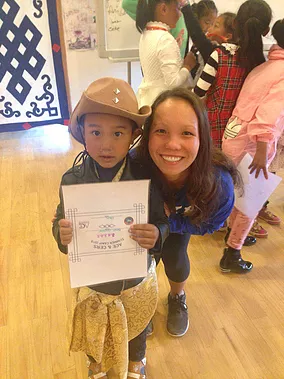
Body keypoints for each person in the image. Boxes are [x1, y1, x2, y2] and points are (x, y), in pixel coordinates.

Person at [52, 78, 169, 379]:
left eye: (117, 133)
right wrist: (61, 234)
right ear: (82, 133)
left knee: (136, 324)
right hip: (95, 280)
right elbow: (60, 218)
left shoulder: (144, 176)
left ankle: (136, 363)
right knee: (96, 326)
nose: (106, 144)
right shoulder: (72, 179)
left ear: (132, 135)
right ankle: (96, 364)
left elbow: (162, 221)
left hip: (135, 276)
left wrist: (156, 233)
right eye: (95, 132)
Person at [135, 88, 238, 337]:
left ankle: (177, 297)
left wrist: (172, 223)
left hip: (180, 222)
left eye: (187, 133)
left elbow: (211, 225)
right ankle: (142, 304)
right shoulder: (134, 166)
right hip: (139, 224)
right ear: (147, 135)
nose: (173, 144)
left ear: (202, 138)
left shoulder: (218, 184)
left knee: (175, 258)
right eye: (161, 131)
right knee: (140, 266)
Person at [221, 18, 284, 272]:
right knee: (251, 201)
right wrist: (261, 151)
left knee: (238, 196)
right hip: (253, 143)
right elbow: (268, 115)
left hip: (234, 137)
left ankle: (232, 236)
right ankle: (232, 254)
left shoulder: (265, 67)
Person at [184, 0, 272, 149]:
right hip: (242, 136)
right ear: (266, 31)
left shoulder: (220, 55)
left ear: (235, 23)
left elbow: (198, 94)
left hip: (213, 130)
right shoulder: (261, 64)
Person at [135, 0, 196, 107]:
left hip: (148, 100)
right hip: (163, 103)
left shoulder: (146, 33)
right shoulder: (164, 39)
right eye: (178, 8)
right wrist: (187, 66)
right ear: (163, 9)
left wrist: (174, 48)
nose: (180, 14)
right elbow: (173, 83)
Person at [122, 0, 189, 58]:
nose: (179, 14)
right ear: (163, 9)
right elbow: (126, 4)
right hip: (161, 47)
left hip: (177, 49)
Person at [184, 0, 218, 88]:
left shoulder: (210, 47)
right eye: (207, 22)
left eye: (213, 25)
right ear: (196, 19)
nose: (209, 28)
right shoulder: (185, 35)